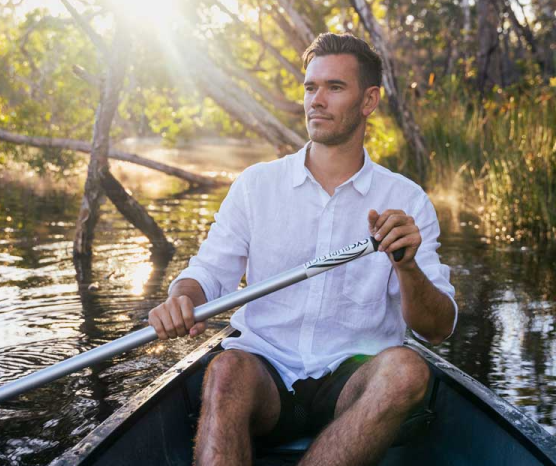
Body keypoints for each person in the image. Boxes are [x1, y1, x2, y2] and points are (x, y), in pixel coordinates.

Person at [148, 33, 457, 466]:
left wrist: (407, 269)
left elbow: (437, 329)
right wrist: (181, 299)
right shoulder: (257, 185)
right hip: (265, 373)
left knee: (408, 370)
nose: (316, 100)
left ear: (369, 101)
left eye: (334, 87)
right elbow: (207, 273)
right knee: (224, 370)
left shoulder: (406, 200)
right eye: (311, 87)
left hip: (353, 385)